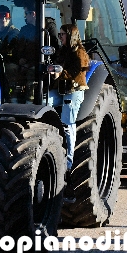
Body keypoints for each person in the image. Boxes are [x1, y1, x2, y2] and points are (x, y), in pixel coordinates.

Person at [50, 24, 90, 177]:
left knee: (67, 124)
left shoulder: (80, 52)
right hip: (62, 89)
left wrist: (60, 73)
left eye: (63, 34)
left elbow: (77, 72)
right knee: (45, 102)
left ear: (70, 35)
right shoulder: (63, 51)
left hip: (74, 91)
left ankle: (69, 163)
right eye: (59, 34)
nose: (60, 37)